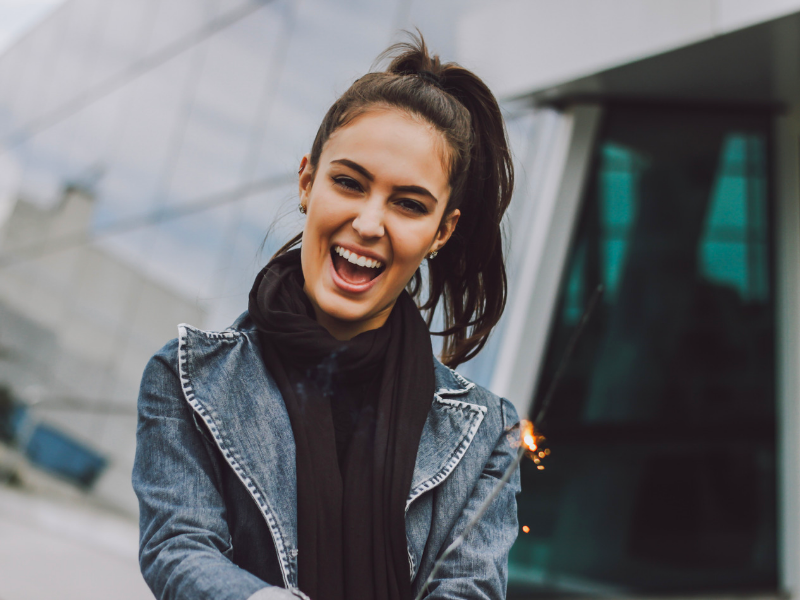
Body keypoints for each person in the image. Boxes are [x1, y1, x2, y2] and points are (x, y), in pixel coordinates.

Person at [133, 33, 520, 600]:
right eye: (349, 183)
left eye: (409, 204)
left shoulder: (487, 436)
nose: (369, 222)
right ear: (307, 182)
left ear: (442, 231)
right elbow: (178, 548)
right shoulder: (188, 381)